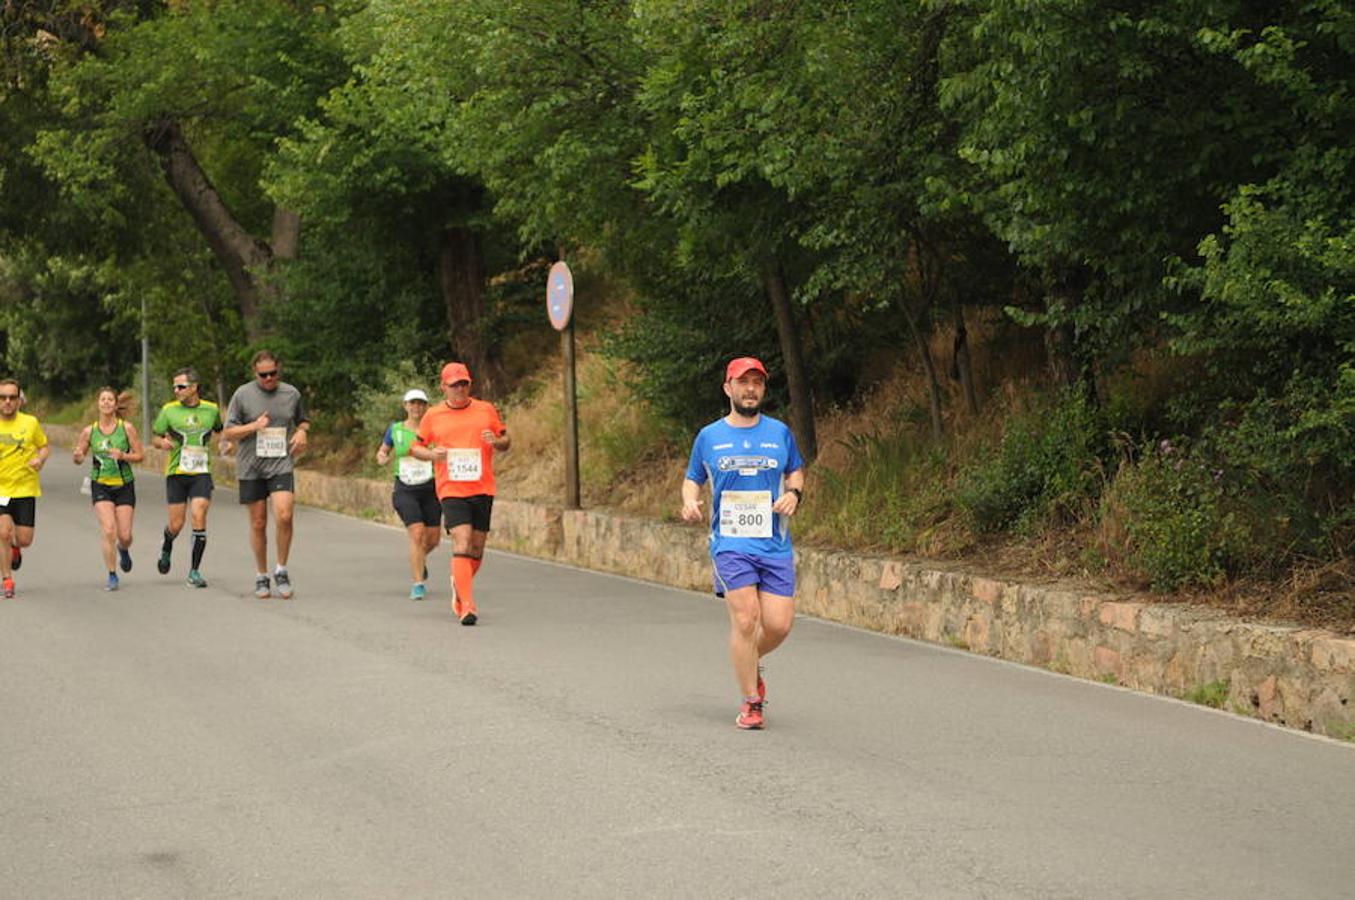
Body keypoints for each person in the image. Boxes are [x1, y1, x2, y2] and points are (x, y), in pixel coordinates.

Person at [680, 357, 805, 730]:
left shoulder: (780, 433)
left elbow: (795, 470)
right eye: (743, 382)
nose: (751, 389)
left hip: (775, 543)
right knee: (747, 618)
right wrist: (689, 500)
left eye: (757, 383)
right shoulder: (709, 436)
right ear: (728, 388)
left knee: (779, 626)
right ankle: (752, 701)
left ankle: (746, 660)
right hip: (731, 543)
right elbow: (692, 478)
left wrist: (794, 493)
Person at [409, 362, 510, 625]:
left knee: (476, 548)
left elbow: (505, 440)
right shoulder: (433, 415)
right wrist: (432, 454)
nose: (459, 389)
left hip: (482, 487)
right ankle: (467, 605)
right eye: (454, 385)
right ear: (444, 387)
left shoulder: (485, 410)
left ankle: (459, 583)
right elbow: (415, 447)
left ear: (470, 384)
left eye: (463, 383)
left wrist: (496, 442)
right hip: (451, 488)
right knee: (462, 541)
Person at [222, 351, 309, 599]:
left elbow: (303, 420)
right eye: (264, 375)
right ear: (255, 373)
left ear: (278, 370)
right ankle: (261, 575)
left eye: (273, 373)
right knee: (258, 522)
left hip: (281, 463)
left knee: (284, 514)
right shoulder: (242, 394)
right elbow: (228, 432)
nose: (269, 378)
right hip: (251, 466)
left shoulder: (291, 394)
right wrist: (253, 426)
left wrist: (302, 432)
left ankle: (281, 569)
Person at [152, 367, 224, 588]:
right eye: (174, 386)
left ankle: (194, 571)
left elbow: (220, 431)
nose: (176, 390)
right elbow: (155, 436)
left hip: (201, 473)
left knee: (199, 514)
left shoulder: (211, 410)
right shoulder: (168, 410)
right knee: (177, 524)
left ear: (194, 387)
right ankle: (167, 544)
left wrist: (225, 443)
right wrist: (161, 443)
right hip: (177, 473)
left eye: (181, 386)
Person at [72, 388, 146, 591]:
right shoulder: (89, 431)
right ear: (98, 404)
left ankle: (123, 549)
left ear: (115, 404)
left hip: (124, 485)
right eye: (102, 399)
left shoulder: (127, 428)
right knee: (108, 530)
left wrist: (123, 456)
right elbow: (79, 456)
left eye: (109, 400)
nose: (106, 403)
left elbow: (140, 455)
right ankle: (112, 574)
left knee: (125, 535)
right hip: (100, 484)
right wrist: (78, 456)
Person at [376, 388, 442, 601]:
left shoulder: (433, 429)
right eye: (412, 403)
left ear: (426, 407)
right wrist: (382, 457)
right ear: (405, 406)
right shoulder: (395, 430)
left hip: (431, 488)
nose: (416, 407)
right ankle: (418, 583)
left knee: (432, 539)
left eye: (420, 404)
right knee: (417, 533)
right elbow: (383, 451)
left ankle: (418, 560)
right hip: (405, 488)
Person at [0, 378, 49, 599]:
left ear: (20, 400)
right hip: (1, 490)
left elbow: (44, 447)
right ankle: (7, 579)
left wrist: (40, 460)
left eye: (12, 397)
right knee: (3, 532)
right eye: (3, 397)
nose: (7, 401)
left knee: (25, 539)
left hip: (25, 488)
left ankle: (16, 549)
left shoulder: (30, 423)